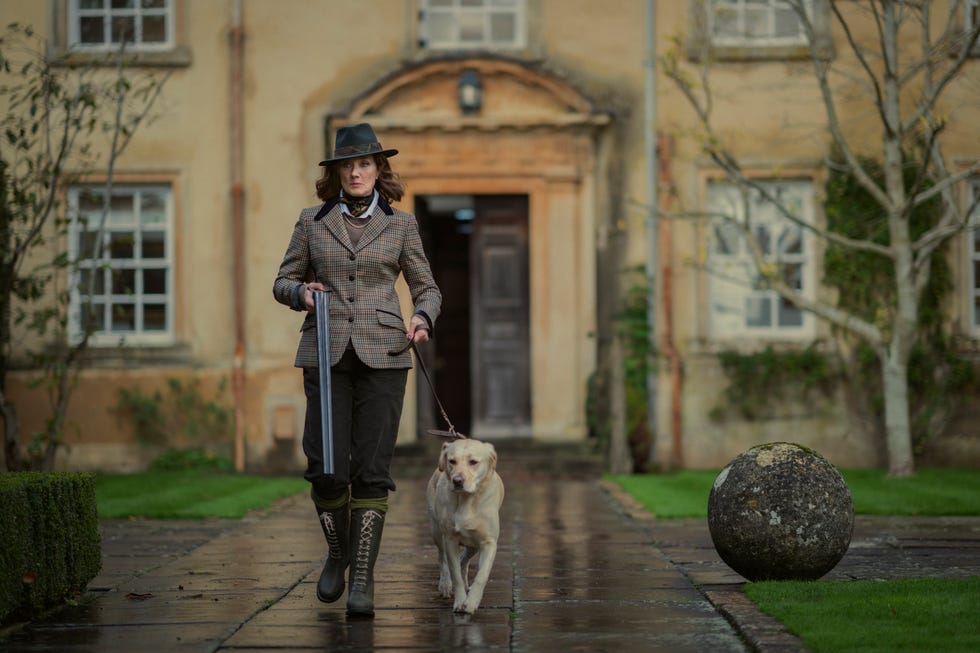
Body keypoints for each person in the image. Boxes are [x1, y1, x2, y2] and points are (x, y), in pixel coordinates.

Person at [273, 122, 442, 617]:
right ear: (336, 173)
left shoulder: (403, 225)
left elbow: (426, 286)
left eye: (364, 163)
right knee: (325, 467)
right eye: (347, 164)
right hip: (324, 353)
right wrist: (302, 293)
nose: (356, 172)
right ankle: (338, 554)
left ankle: (363, 577)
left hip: (386, 354)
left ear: (377, 169)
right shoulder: (310, 221)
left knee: (372, 471)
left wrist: (422, 316)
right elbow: (283, 281)